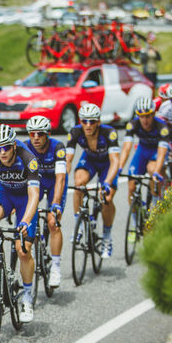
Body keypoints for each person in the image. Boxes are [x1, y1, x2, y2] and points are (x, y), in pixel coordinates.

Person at [0, 124, 40, 322]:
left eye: (6, 147)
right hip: (6, 193)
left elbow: (34, 194)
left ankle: (27, 296)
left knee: (22, 250)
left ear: (13, 145)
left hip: (25, 200)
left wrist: (26, 221)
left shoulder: (28, 159)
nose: (2, 152)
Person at [65, 103, 120, 259]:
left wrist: (107, 182)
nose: (88, 125)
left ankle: (107, 237)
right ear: (80, 121)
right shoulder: (75, 132)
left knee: (107, 198)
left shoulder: (109, 133)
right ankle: (80, 225)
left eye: (92, 121)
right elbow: (68, 159)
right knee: (78, 185)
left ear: (98, 122)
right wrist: (63, 178)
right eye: (84, 121)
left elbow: (115, 161)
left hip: (108, 163)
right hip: (89, 160)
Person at [22, 116, 68, 288]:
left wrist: (55, 204)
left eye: (40, 134)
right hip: (37, 183)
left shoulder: (58, 147)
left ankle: (55, 267)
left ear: (47, 134)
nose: (36, 138)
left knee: (53, 222)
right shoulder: (25, 147)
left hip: (55, 182)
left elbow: (61, 178)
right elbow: (23, 179)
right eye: (32, 133)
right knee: (26, 215)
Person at [119, 98, 170, 208]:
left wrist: (157, 171)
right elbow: (126, 148)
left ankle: (156, 204)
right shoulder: (133, 124)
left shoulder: (162, 126)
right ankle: (135, 221)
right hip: (143, 150)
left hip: (157, 150)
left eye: (147, 116)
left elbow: (162, 152)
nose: (144, 120)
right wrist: (119, 167)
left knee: (152, 169)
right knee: (132, 186)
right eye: (141, 116)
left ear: (153, 114)